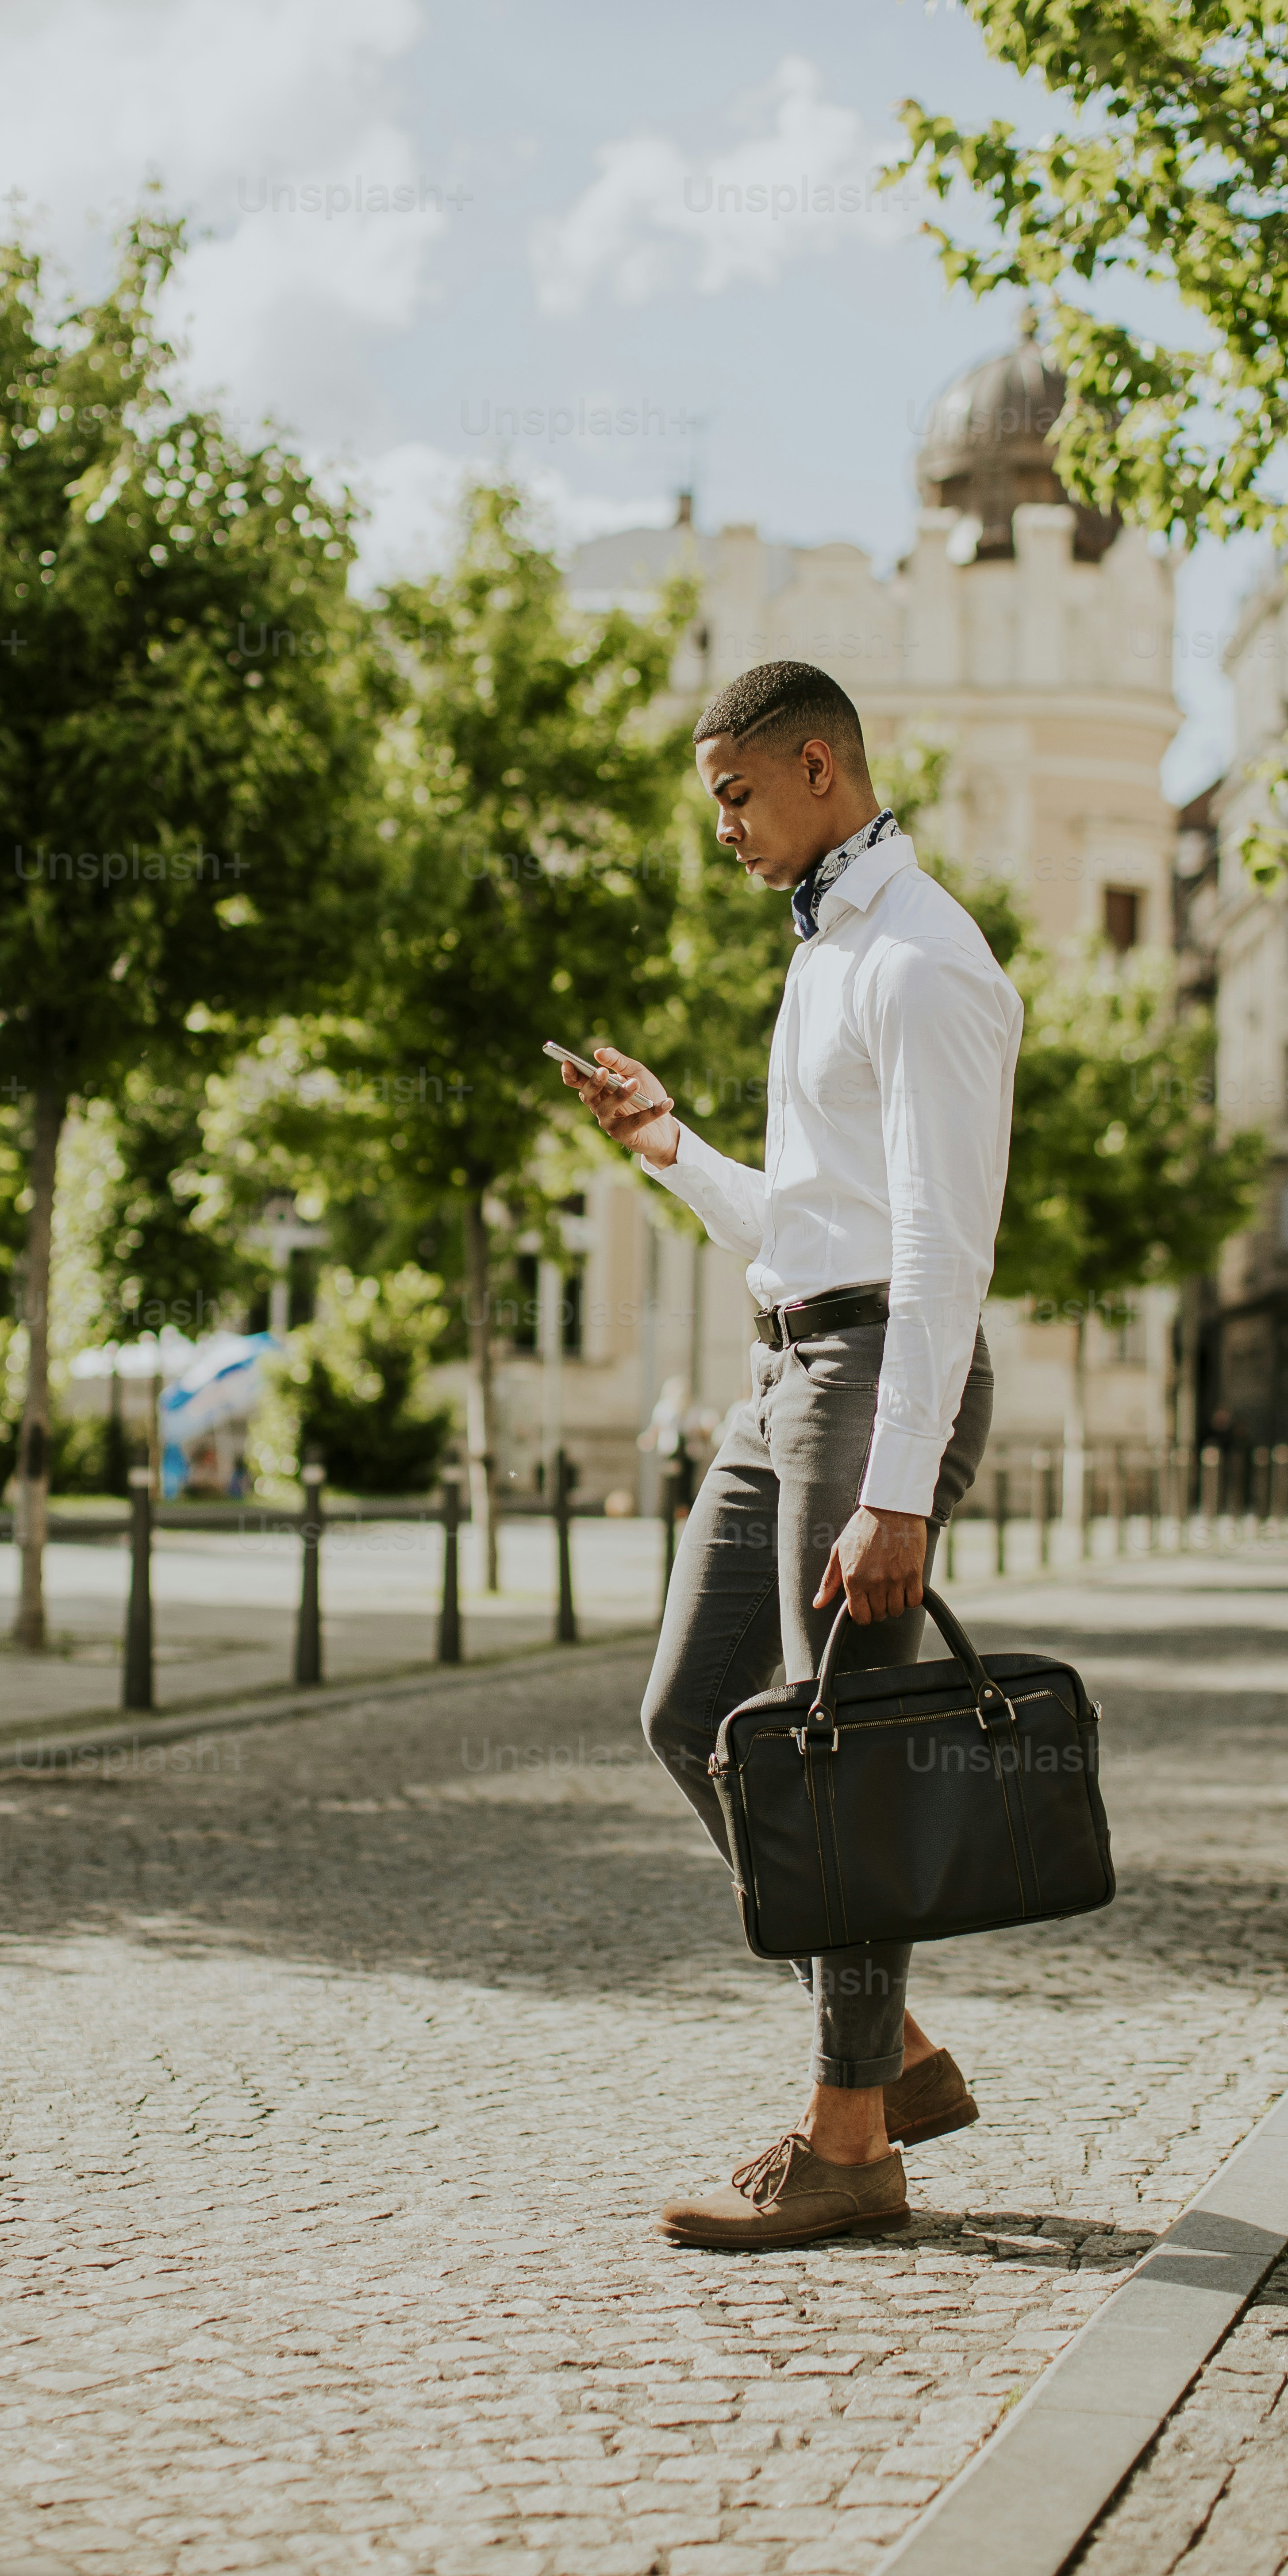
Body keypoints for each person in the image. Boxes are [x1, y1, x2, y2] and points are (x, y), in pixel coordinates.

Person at [557, 658, 1022, 2249]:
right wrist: (673, 1148)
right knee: (692, 1710)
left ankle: (850, 2145)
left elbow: (940, 1250)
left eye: (737, 799)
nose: (727, 834)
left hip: (885, 1371)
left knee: (844, 1749)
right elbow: (811, 1222)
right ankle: (888, 2045)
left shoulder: (925, 963)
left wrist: (898, 1485)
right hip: (793, 1362)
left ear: (818, 767)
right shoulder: (828, 955)